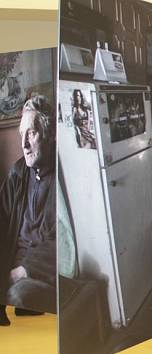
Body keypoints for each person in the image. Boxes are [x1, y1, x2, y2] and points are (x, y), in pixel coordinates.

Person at [0, 96, 56, 314]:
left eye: (31, 133)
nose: (23, 145)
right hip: (11, 265)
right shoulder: (18, 172)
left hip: (41, 272)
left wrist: (22, 270)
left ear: (49, 135)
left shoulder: (64, 177)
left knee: (17, 296)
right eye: (21, 134)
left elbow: (62, 244)